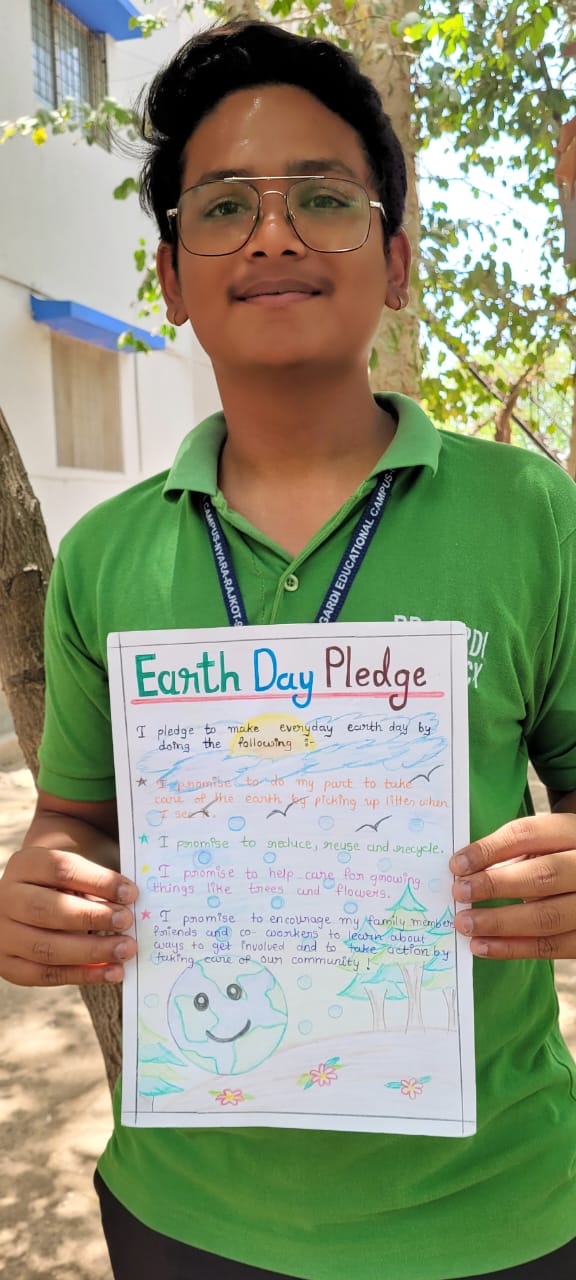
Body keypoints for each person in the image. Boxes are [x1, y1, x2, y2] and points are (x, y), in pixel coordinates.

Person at [1, 18, 576, 1280]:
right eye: (224, 207)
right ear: (169, 278)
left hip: (497, 1210)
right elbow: (76, 819)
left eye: (323, 197)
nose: (273, 235)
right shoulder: (105, 556)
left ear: (398, 259)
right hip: (183, 1210)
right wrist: (42, 884)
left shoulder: (537, 515)